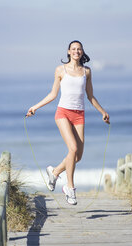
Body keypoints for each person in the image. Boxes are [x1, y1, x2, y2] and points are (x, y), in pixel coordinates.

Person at [26, 40, 110, 205]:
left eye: (79, 49)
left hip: (79, 115)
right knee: (72, 148)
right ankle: (70, 188)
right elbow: (53, 94)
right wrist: (35, 107)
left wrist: (103, 112)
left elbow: (90, 96)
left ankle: (55, 171)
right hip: (63, 113)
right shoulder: (60, 70)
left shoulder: (86, 72)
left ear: (82, 52)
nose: (77, 51)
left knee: (78, 156)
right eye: (73, 49)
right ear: (68, 52)